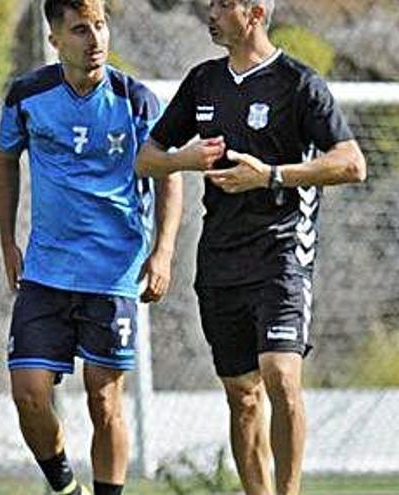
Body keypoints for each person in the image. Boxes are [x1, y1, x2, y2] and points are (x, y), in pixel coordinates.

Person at [136, 0, 366, 493]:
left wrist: (272, 176)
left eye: (222, 4)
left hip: (282, 254)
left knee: (280, 375)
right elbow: (146, 159)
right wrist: (186, 159)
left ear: (255, 13)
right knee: (242, 396)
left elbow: (351, 163)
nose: (210, 12)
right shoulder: (202, 82)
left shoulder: (298, 84)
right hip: (220, 261)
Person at [0, 1, 183, 493]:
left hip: (113, 273)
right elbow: (5, 160)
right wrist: (7, 241)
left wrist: (162, 252)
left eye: (100, 25)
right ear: (55, 39)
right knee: (29, 395)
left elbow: (168, 176)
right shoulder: (28, 96)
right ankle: (64, 486)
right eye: (80, 29)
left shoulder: (135, 100)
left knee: (105, 401)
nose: (95, 39)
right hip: (45, 271)